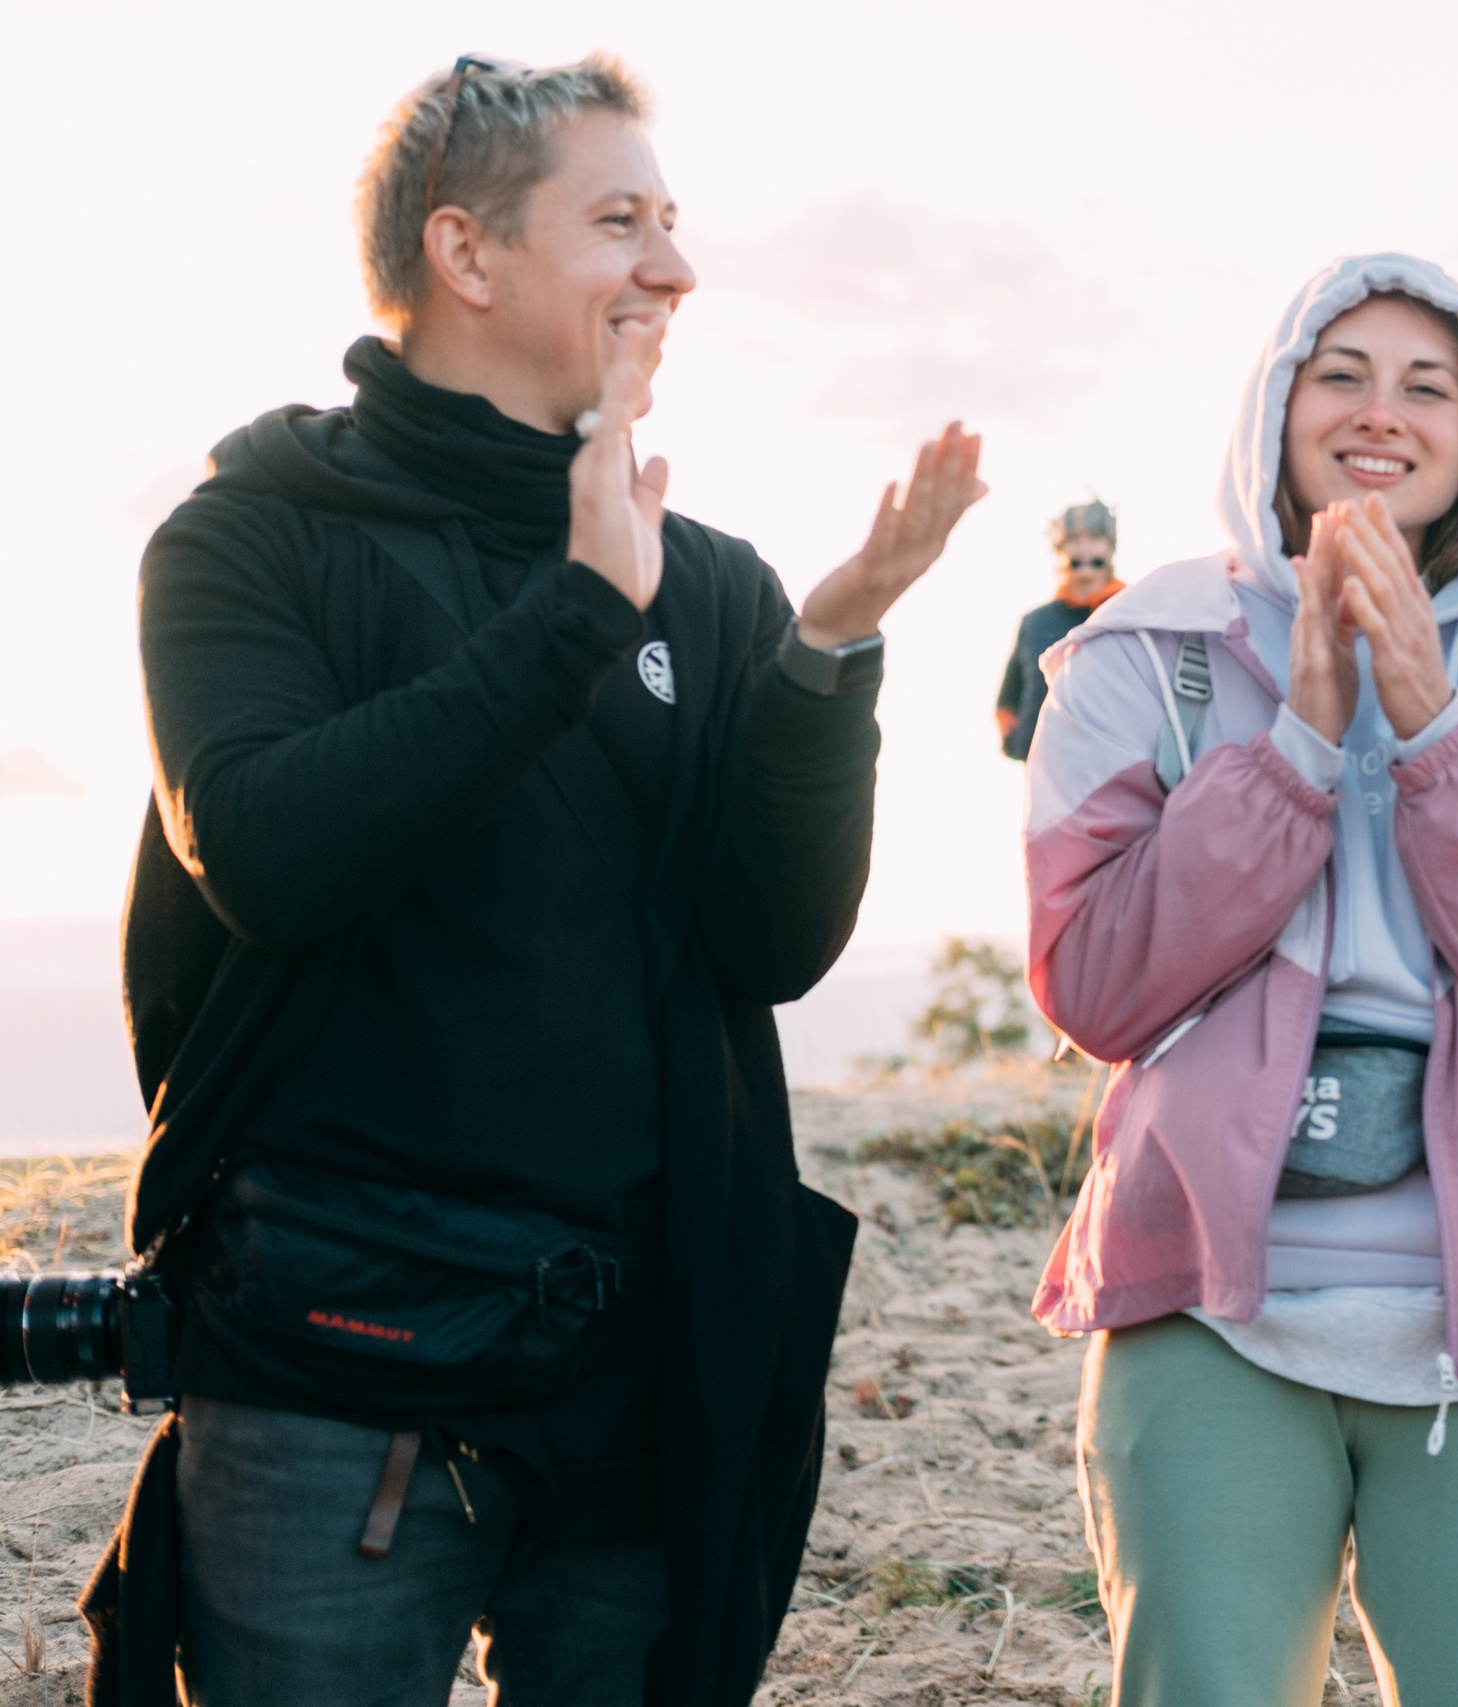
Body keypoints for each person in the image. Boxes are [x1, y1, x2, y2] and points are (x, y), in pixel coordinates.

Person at [95, 54, 982, 1707]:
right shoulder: (252, 536)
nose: (676, 268)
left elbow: (769, 942)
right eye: (622, 221)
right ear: (468, 253)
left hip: (641, 1382)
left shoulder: (705, 580)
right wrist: (576, 612)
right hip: (330, 1367)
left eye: (675, 222)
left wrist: (828, 645)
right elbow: (269, 853)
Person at [1019, 254, 1458, 1706]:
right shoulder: (1149, 654)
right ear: (1277, 407)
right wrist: (1305, 743)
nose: (1382, 411)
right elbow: (1095, 979)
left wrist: (1438, 724)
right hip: (1206, 1309)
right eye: (1343, 374)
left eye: (1428, 385)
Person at [996, 500, 1124, 759]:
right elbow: (1008, 698)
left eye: (1095, 537)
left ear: (1110, 546)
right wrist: (1018, 742)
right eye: (1074, 538)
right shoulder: (1035, 622)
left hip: (1114, 762)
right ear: (1060, 548)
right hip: (1043, 762)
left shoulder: (1130, 610)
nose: (1085, 547)